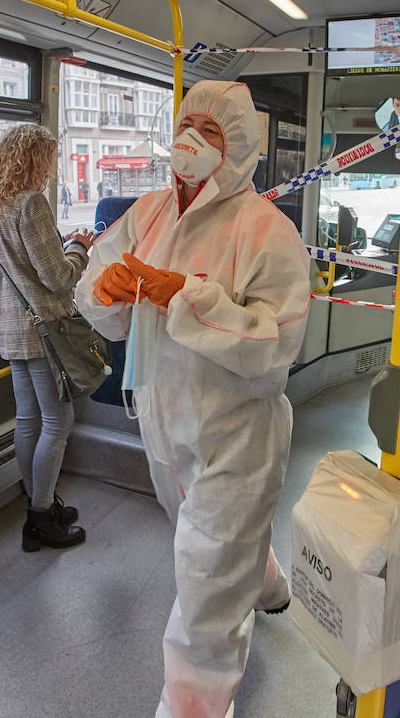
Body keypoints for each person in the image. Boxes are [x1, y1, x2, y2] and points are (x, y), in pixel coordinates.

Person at [74, 80, 312, 718]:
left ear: (237, 149)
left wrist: (187, 294)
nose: (190, 141)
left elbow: (276, 339)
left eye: (210, 132)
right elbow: (95, 278)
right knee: (204, 537)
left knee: (205, 582)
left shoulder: (267, 230)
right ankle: (264, 583)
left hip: (238, 429)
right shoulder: (149, 212)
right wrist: (107, 290)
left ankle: (191, 708)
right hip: (162, 416)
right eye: (187, 125)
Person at [0, 124, 94, 552]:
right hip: (43, 329)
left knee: (28, 420)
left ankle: (36, 500)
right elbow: (58, 278)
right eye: (48, 159)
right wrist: (78, 247)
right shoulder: (31, 204)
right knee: (59, 423)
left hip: (8, 327)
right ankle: (41, 516)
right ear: (34, 160)